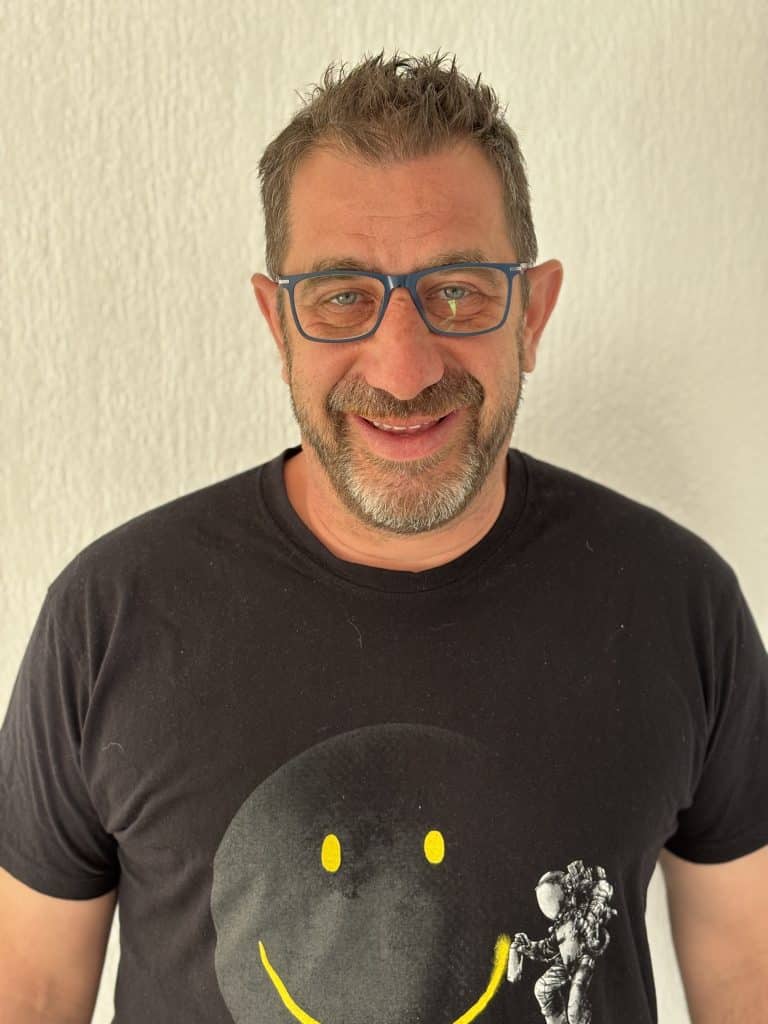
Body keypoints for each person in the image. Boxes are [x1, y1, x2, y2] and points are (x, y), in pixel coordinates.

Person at [1, 49, 766, 1024]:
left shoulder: (677, 604)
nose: (403, 369)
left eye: (458, 290)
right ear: (278, 324)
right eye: (342, 297)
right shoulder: (111, 616)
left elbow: (749, 975)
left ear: (532, 314)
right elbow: (29, 989)